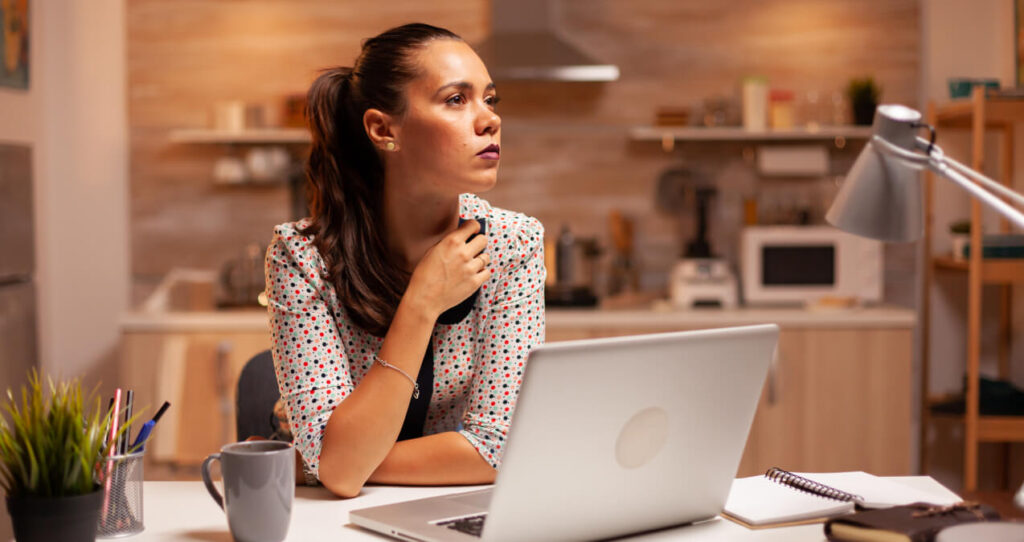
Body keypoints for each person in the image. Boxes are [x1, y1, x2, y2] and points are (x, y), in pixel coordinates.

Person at [264, 23, 546, 498]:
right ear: (383, 129)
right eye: (457, 100)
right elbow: (342, 474)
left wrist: (323, 462)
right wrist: (421, 302)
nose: (489, 120)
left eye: (489, 100)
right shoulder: (302, 259)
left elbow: (498, 449)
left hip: (461, 514)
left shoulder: (513, 244)